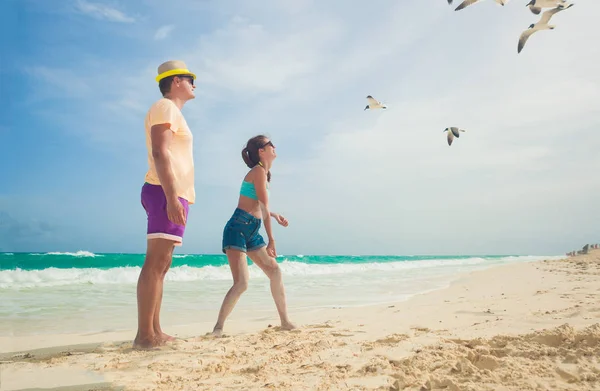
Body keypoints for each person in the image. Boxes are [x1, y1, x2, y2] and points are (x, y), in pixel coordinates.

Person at [134, 60, 197, 349]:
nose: (193, 83)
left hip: (173, 192)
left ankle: (155, 329)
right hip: (163, 190)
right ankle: (144, 335)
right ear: (175, 82)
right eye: (189, 78)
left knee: (163, 264)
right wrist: (172, 196)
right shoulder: (165, 107)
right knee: (156, 263)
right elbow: (160, 152)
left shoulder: (173, 112)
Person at [212, 135, 296, 336]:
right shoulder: (258, 171)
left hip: (251, 228)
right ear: (261, 150)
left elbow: (259, 206)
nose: (274, 146)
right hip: (237, 228)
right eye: (270, 144)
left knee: (275, 272)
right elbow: (264, 207)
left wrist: (273, 215)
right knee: (241, 283)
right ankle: (218, 328)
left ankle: (285, 321)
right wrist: (271, 240)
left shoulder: (263, 174)